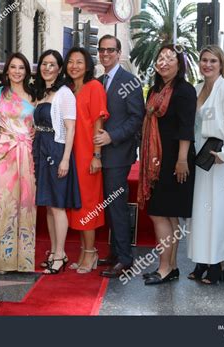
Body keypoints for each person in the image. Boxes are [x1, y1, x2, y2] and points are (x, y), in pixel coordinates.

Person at [137, 44, 197, 285]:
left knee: (159, 213)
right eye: (160, 58)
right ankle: (171, 267)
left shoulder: (184, 90)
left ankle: (163, 268)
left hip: (174, 161)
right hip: (156, 160)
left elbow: (186, 127)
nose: (163, 62)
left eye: (169, 58)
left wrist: (182, 159)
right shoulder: (155, 90)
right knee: (169, 217)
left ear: (179, 63)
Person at [187, 45, 224, 284]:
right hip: (201, 160)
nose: (207, 65)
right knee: (200, 213)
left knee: (219, 212)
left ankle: (217, 265)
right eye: (204, 60)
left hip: (220, 161)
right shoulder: (197, 89)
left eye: (212, 61)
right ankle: (202, 260)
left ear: (221, 64)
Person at [94, 34, 145, 278]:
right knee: (108, 205)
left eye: (110, 50)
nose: (105, 54)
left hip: (118, 154)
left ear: (119, 52)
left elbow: (137, 119)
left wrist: (111, 137)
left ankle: (125, 259)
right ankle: (115, 252)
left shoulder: (130, 82)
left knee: (117, 206)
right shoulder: (98, 81)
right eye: (102, 50)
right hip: (98, 155)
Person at [0, 53, 37, 273]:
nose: (17, 71)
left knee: (25, 204)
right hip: (4, 154)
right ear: (7, 71)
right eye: (13, 67)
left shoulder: (35, 96)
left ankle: (23, 259)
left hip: (27, 154)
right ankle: (1, 259)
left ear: (26, 71)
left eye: (21, 68)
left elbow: (37, 125)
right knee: (2, 203)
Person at [33, 49, 81, 274]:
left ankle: (60, 254)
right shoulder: (41, 93)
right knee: (49, 207)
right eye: (44, 63)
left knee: (58, 205)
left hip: (56, 147)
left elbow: (71, 128)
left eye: (52, 64)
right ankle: (53, 251)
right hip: (40, 148)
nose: (47, 68)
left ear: (59, 69)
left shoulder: (65, 93)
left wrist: (65, 160)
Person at [65, 47, 109, 274]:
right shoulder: (70, 90)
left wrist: (96, 155)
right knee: (78, 205)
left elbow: (98, 124)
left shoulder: (95, 87)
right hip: (72, 156)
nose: (74, 66)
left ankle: (91, 253)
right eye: (70, 62)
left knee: (88, 206)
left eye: (79, 62)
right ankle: (84, 251)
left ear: (88, 65)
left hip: (87, 156)